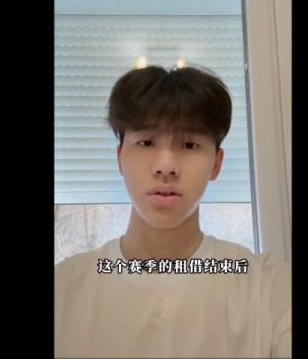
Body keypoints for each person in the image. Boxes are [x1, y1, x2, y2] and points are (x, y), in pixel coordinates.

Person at [54, 64, 291, 358]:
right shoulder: (63, 288)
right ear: (120, 159)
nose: (165, 166)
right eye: (146, 142)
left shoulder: (268, 289)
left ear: (216, 165)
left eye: (189, 145)